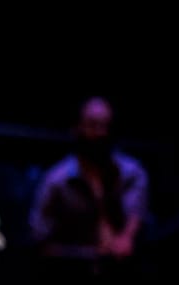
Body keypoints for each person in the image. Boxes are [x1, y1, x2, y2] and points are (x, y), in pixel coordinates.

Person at [28, 96, 149, 259]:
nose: (101, 133)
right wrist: (90, 254)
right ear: (77, 128)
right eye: (93, 125)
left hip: (126, 270)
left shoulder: (131, 173)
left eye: (106, 126)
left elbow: (135, 213)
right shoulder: (56, 181)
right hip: (72, 269)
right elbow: (39, 238)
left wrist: (126, 237)